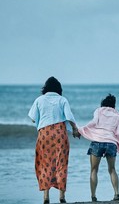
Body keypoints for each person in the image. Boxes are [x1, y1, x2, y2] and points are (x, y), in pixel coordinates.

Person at [28, 76, 79, 204]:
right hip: (60, 134)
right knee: (61, 163)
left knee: (45, 163)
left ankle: (46, 196)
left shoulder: (39, 100)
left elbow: (33, 118)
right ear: (58, 89)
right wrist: (75, 129)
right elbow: (69, 117)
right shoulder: (62, 100)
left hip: (44, 134)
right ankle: (62, 196)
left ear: (45, 88)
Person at [74, 94, 119, 202]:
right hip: (111, 143)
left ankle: (93, 196)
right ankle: (116, 194)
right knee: (112, 169)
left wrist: (81, 130)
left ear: (103, 104)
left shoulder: (99, 110)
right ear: (114, 105)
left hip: (97, 142)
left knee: (94, 170)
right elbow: (118, 133)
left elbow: (94, 123)